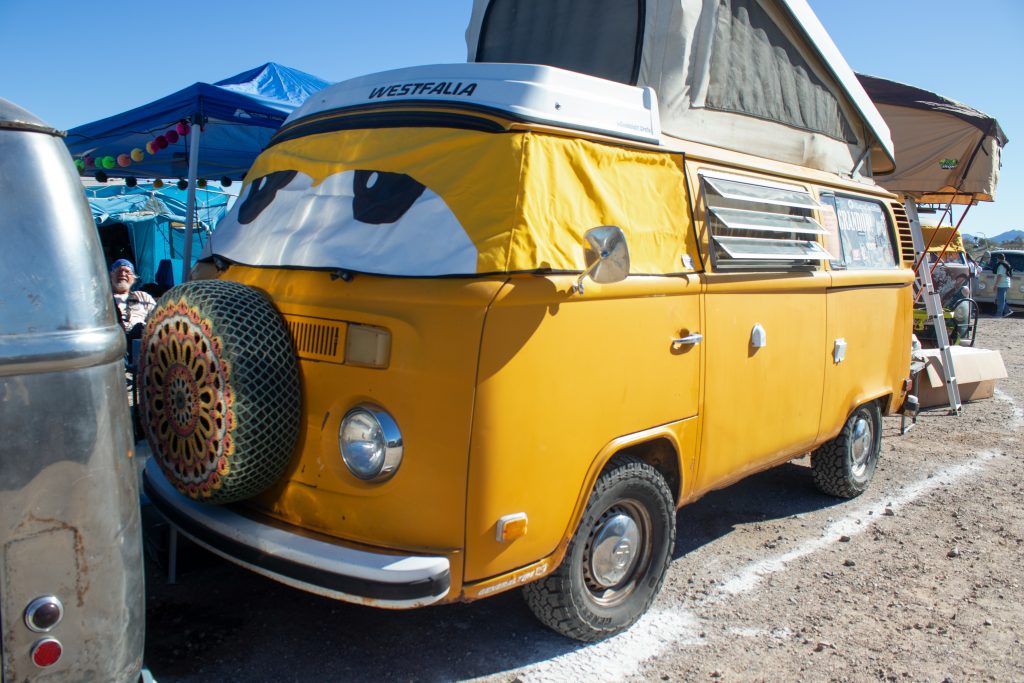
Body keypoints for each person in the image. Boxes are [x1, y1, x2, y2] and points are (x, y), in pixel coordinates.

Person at [110, 259, 156, 340]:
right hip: (116, 339)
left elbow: (157, 318)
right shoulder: (106, 299)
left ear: (133, 279)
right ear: (111, 276)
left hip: (141, 339)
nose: (123, 274)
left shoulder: (143, 296)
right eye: (119, 271)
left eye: (127, 272)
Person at [993, 253, 1014, 318]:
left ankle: (999, 314)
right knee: (1002, 299)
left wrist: (995, 285)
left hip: (1002, 284)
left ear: (998, 258)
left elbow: (999, 275)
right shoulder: (1006, 264)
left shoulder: (1001, 266)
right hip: (1005, 284)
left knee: (1000, 300)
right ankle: (1007, 311)